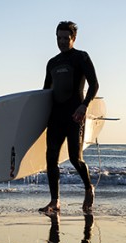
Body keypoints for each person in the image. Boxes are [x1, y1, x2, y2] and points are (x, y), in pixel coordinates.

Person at [39, 21, 99, 214]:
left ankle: (89, 187)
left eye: (66, 38)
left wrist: (84, 106)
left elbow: (94, 85)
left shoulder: (81, 57)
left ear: (73, 38)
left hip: (75, 115)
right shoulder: (52, 63)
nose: (62, 42)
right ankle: (55, 201)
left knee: (75, 158)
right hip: (55, 116)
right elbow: (45, 92)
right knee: (51, 158)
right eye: (59, 38)